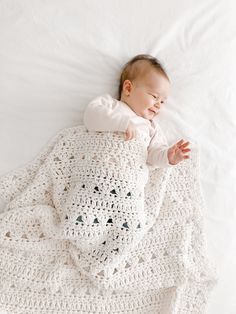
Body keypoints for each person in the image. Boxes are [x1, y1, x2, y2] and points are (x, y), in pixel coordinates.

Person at [83, 54, 191, 169]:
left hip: (129, 180)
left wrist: (168, 156)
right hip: (97, 170)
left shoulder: (152, 127)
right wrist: (121, 123)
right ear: (128, 88)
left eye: (162, 101)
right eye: (155, 96)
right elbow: (91, 116)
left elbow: (153, 155)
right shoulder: (111, 105)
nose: (158, 105)